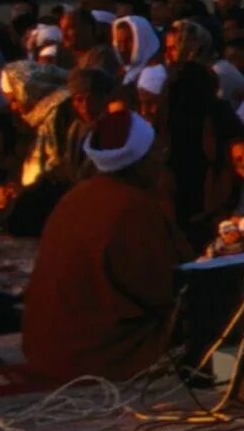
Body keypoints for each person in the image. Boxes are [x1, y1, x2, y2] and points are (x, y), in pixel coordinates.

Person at [19, 102, 187, 383]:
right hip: (94, 356)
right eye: (156, 153)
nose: (162, 159)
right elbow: (165, 291)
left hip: (43, 349)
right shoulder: (133, 208)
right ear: (139, 163)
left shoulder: (77, 196)